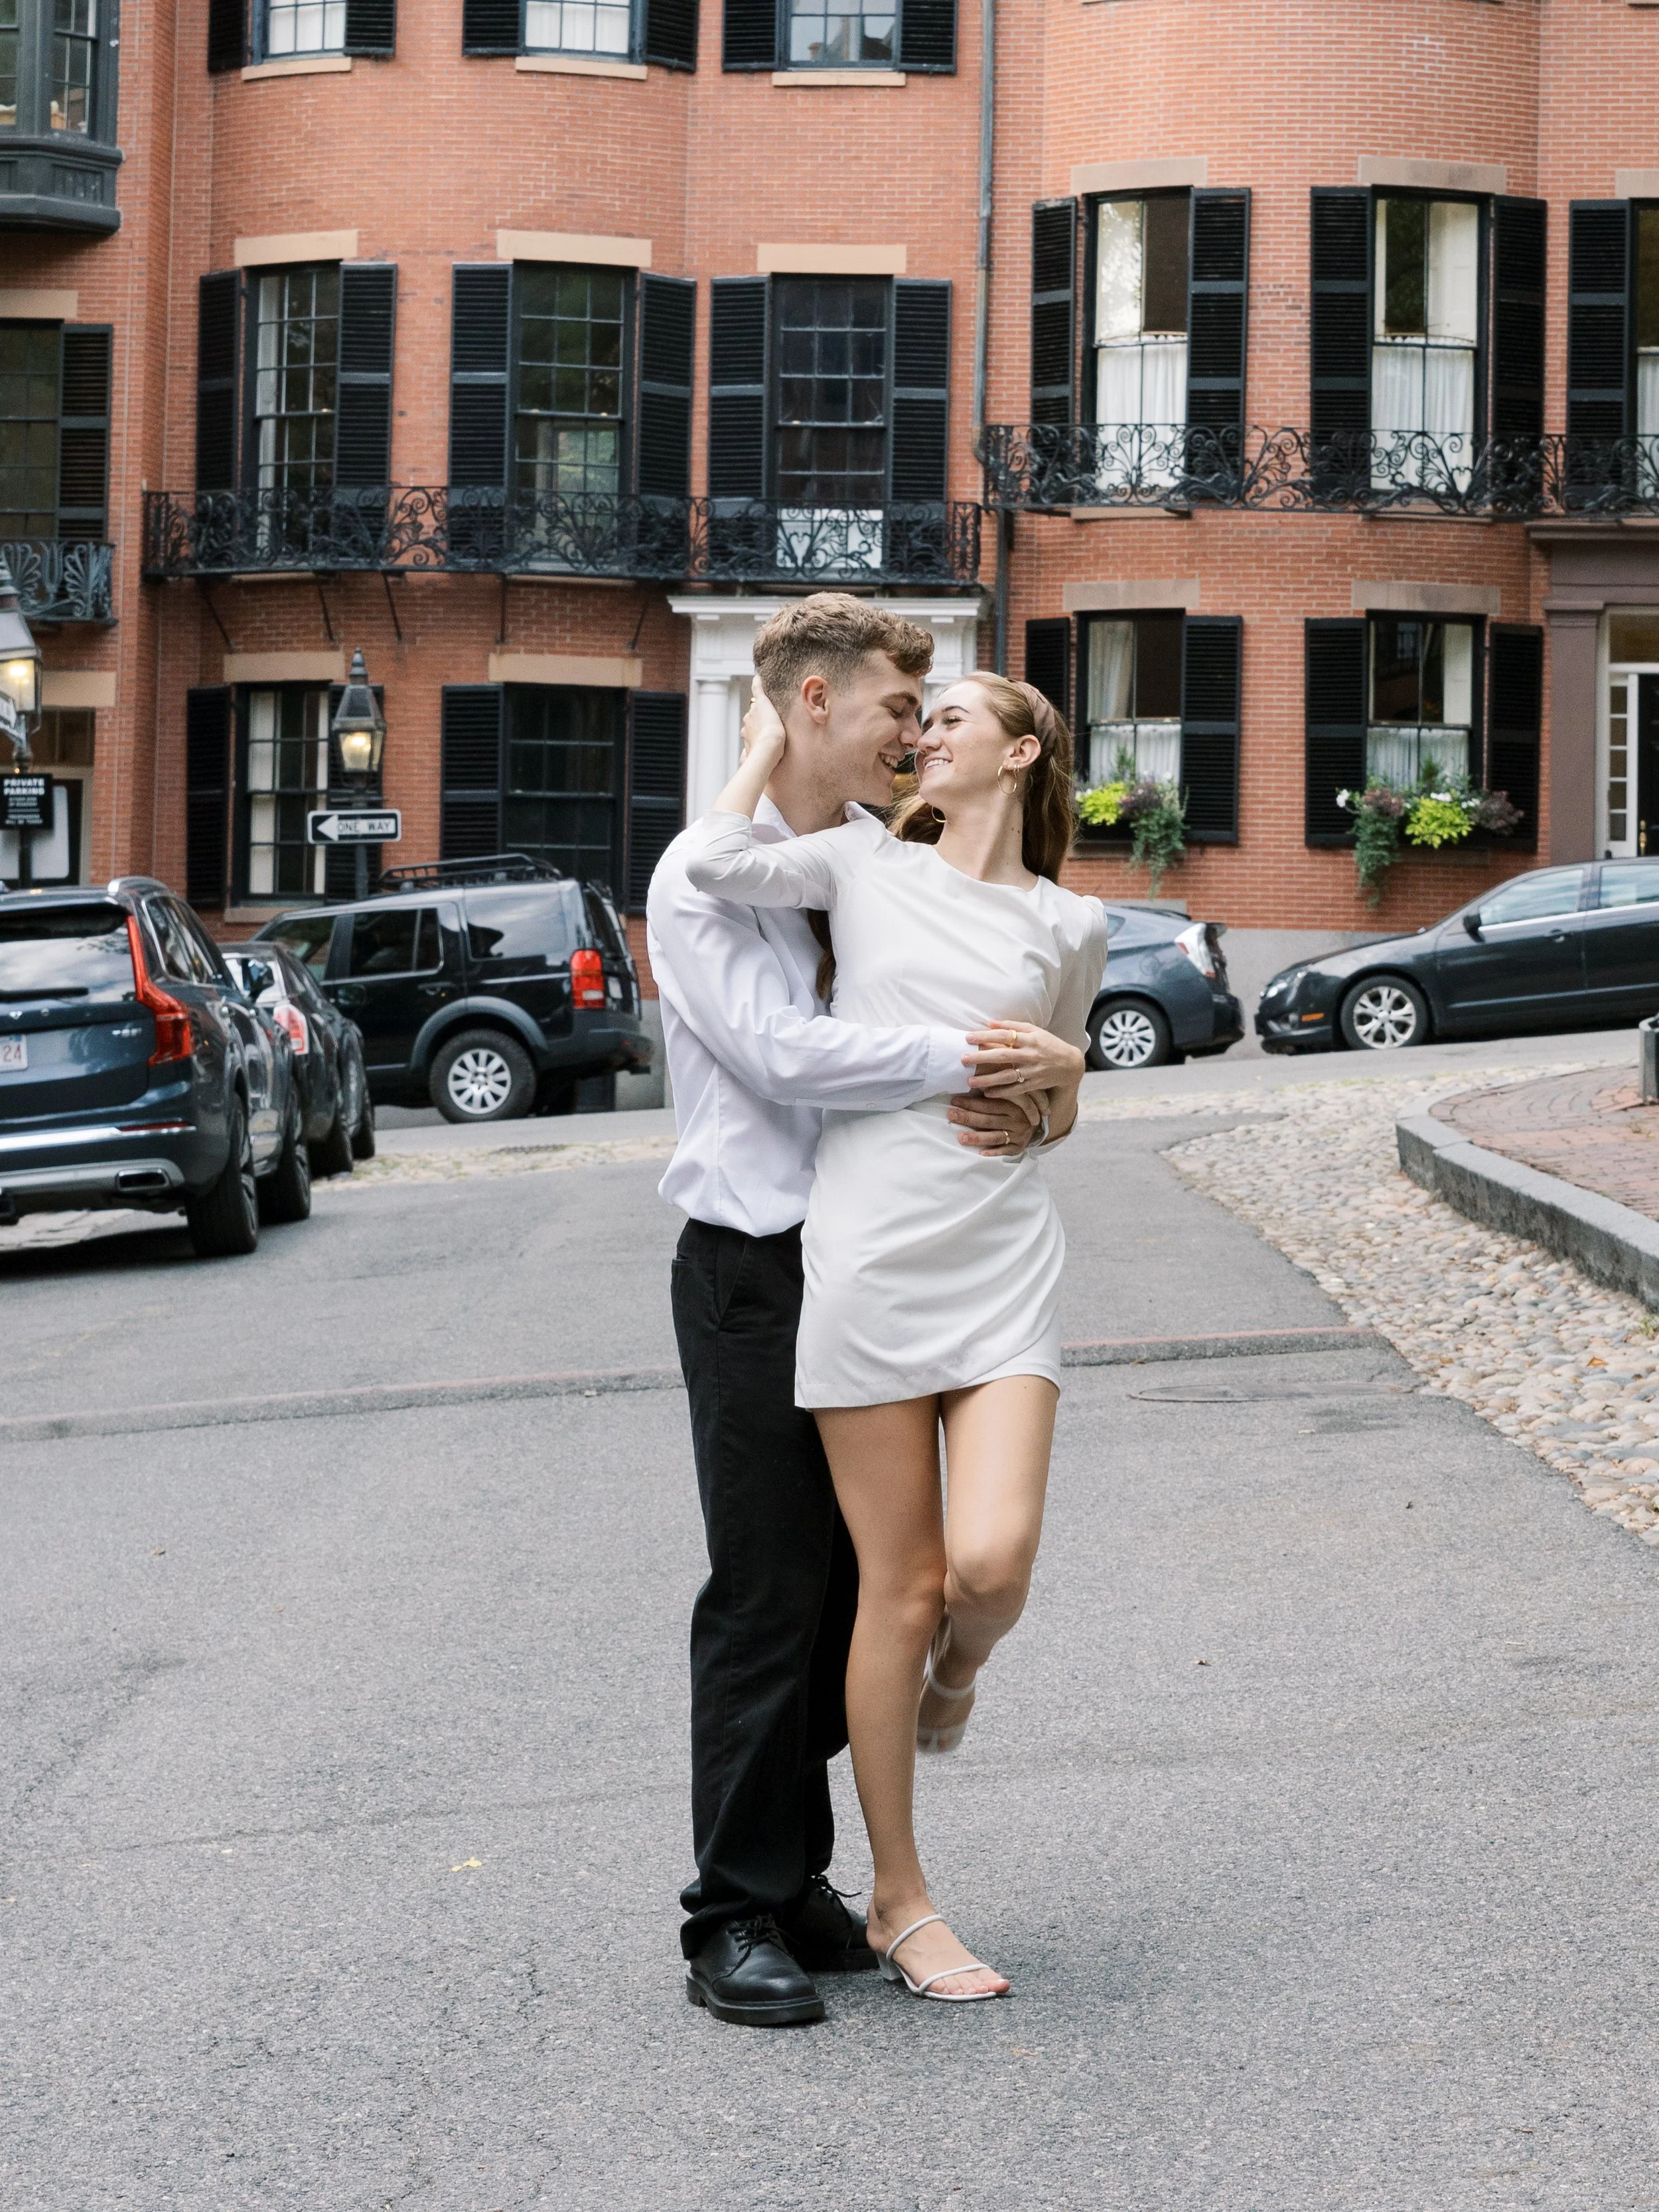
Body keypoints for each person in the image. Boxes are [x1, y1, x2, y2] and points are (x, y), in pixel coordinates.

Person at [647, 594, 1046, 2029]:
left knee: (852, 1594)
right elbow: (782, 1052)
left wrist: (1043, 1077)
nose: (911, 732)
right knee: (763, 1593)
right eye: (891, 707)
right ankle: (730, 1912)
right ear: (809, 704)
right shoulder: (702, 880)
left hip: (876, 1262)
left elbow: (1000, 948)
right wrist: (969, 1057)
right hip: (750, 1266)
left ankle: (801, 1871)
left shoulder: (873, 863)